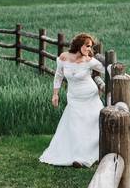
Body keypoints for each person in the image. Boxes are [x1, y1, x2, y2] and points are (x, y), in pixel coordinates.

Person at [39, 33, 108, 167]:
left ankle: (88, 156)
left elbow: (108, 70)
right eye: (87, 46)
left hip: (90, 97)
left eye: (91, 47)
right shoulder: (64, 58)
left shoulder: (89, 61)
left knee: (91, 125)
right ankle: (76, 155)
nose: (89, 49)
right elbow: (58, 76)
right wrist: (55, 94)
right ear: (79, 45)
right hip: (74, 98)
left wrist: (126, 75)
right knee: (76, 126)